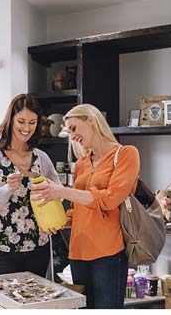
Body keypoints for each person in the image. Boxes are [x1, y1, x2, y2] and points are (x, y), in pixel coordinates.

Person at [31, 103, 140, 309]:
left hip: (108, 252)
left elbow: (110, 199)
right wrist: (61, 221)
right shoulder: (81, 163)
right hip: (78, 252)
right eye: (69, 131)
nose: (72, 136)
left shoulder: (126, 154)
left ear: (91, 121)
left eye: (74, 128)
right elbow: (78, 207)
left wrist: (61, 191)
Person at [0, 93, 60, 279]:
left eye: (32, 122)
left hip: (39, 247)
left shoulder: (41, 158)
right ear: (11, 120)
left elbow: (57, 194)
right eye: (21, 121)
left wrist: (52, 220)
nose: (26, 128)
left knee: (37, 306)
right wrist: (6, 189)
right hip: (4, 250)